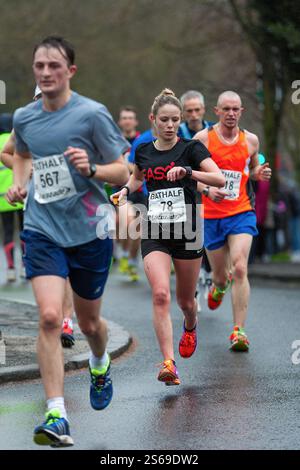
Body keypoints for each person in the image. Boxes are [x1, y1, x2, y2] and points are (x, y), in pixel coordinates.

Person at [6, 36, 129, 447]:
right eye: (39, 65)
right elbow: (20, 153)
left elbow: (124, 172)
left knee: (91, 323)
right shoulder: (24, 117)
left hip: (90, 231)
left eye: (53, 66)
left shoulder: (92, 115)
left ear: (70, 71)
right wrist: (20, 184)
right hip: (42, 228)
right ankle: (57, 413)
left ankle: (99, 361)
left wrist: (92, 168)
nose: (45, 72)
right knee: (48, 317)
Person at [112, 89, 224, 385]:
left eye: (175, 119)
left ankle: (191, 324)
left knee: (186, 301)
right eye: (165, 120)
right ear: (153, 120)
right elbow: (137, 179)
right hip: (155, 230)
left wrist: (189, 172)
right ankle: (168, 363)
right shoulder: (144, 151)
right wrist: (125, 191)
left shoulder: (192, 149)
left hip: (187, 233)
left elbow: (219, 178)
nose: (171, 124)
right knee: (161, 294)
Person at [194, 91, 272, 351]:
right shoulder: (203, 139)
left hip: (240, 211)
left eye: (235, 109)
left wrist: (259, 173)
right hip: (211, 215)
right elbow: (188, 174)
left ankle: (239, 331)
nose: (230, 113)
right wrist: (206, 190)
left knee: (239, 267)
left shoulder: (251, 140)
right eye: (225, 109)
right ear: (216, 111)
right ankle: (218, 286)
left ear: (241, 112)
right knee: (220, 276)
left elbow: (249, 171)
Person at [1, 88, 76, 349]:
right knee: (45, 265)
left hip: (67, 202)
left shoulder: (75, 120)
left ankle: (66, 320)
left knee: (65, 262)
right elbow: (6, 152)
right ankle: (52, 315)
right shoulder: (25, 122)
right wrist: (28, 171)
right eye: (39, 97)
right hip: (36, 205)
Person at [0, 114, 25, 282]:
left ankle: (10, 269)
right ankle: (25, 266)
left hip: (2, 199)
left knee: (8, 233)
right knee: (24, 231)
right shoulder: (17, 141)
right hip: (21, 193)